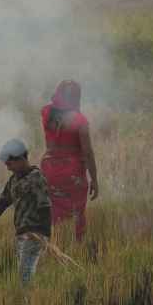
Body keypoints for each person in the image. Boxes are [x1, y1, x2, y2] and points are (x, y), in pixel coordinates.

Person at [0, 138, 52, 284]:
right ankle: (28, 301)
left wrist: (43, 234)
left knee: (25, 276)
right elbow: (1, 204)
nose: (8, 168)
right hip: (21, 234)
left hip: (34, 235)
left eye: (10, 163)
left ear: (20, 159)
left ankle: (27, 303)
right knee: (25, 273)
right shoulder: (14, 181)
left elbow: (45, 206)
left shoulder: (36, 178)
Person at [40, 80, 99, 241]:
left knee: (52, 212)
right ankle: (76, 246)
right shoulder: (80, 121)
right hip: (71, 173)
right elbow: (87, 152)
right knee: (76, 213)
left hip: (49, 170)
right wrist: (94, 179)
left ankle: (52, 244)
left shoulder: (47, 114)